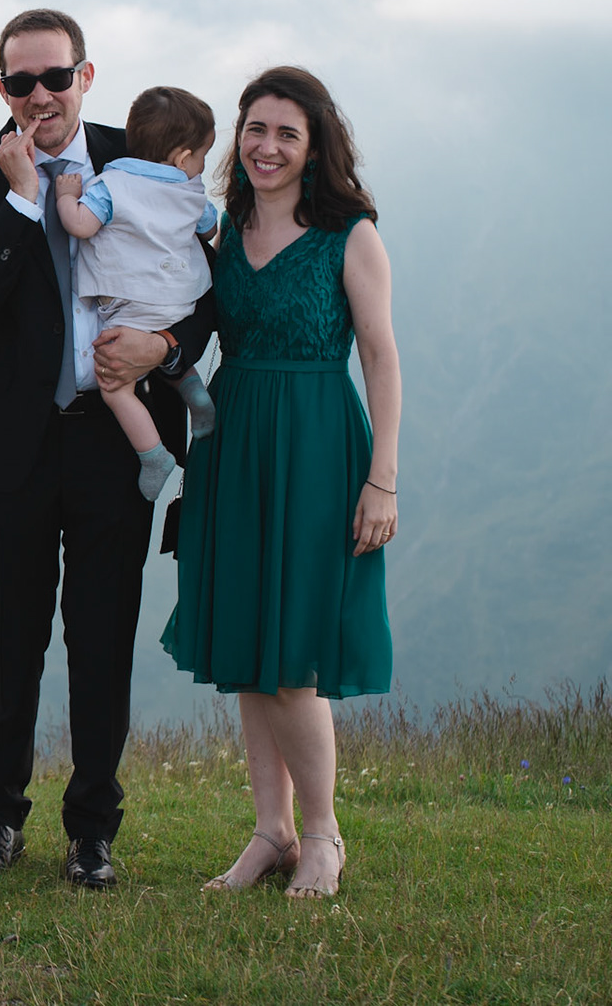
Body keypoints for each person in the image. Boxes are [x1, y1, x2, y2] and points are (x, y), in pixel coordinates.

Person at [0, 9, 215, 889]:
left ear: (85, 76)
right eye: (21, 82)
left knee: (103, 636)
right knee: (10, 639)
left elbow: (205, 288)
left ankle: (93, 828)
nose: (41, 95)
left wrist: (165, 347)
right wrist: (23, 200)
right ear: (2, 88)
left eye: (56, 77)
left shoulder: (142, 157)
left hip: (116, 441)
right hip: (11, 444)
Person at [161, 66, 399, 900]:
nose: (266, 146)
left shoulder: (349, 234)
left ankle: (324, 834)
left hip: (317, 445)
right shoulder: (225, 228)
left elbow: (380, 354)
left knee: (293, 649)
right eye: (255, 129)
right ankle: (272, 830)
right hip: (231, 442)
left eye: (286, 133)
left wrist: (383, 479)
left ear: (314, 146)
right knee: (248, 642)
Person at [53, 85, 223, 501]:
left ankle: (153, 455)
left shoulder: (111, 185)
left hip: (131, 302)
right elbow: (209, 229)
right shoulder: (191, 190)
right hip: (180, 298)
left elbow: (80, 225)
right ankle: (193, 392)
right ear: (182, 158)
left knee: (115, 386)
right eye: (201, 156)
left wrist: (66, 197)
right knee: (158, 344)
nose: (201, 166)